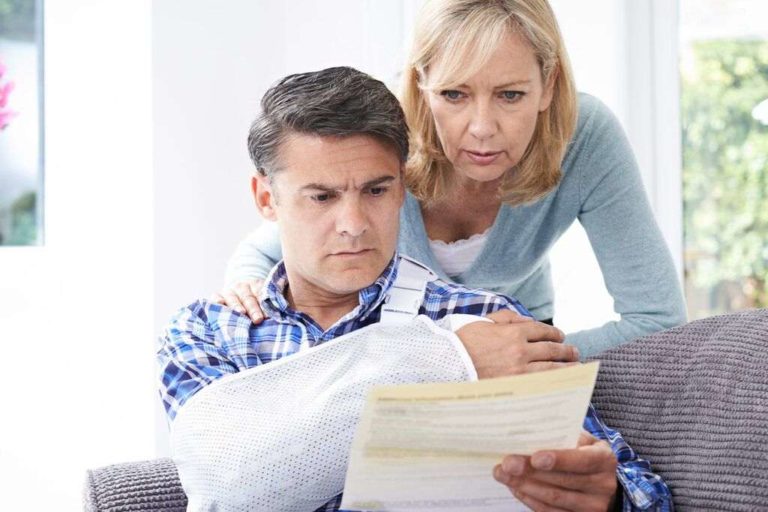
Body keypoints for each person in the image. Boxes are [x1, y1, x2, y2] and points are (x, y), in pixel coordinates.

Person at [158, 66, 671, 512]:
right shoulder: (209, 333)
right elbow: (227, 487)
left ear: (402, 187)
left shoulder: (492, 321)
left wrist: (607, 498)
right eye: (321, 197)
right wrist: (449, 361)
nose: (354, 223)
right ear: (266, 198)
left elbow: (641, 488)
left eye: (376, 190)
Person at [216, 0, 687, 357]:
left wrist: (532, 359)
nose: (482, 128)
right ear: (421, 82)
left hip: (517, 333)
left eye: (510, 94)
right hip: (393, 353)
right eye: (454, 93)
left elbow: (659, 319)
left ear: (548, 84)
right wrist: (248, 294)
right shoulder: (384, 131)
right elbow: (264, 250)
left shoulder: (585, 135)